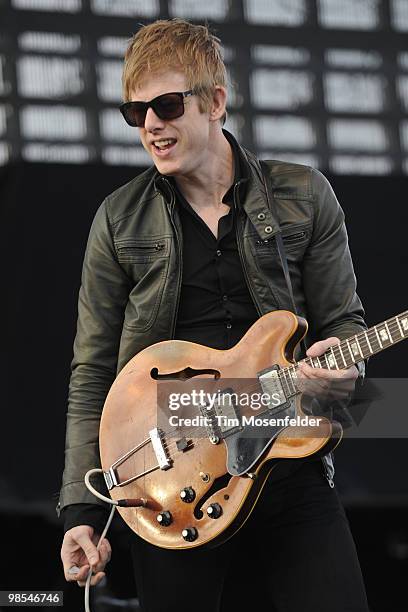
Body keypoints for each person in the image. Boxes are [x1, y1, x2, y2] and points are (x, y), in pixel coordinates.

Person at [59, 18, 369, 612]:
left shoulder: (302, 195)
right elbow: (93, 371)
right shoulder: (119, 220)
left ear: (215, 103)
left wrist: (340, 382)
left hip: (288, 466)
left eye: (168, 105)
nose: (152, 125)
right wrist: (81, 506)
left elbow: (344, 324)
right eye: (135, 112)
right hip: (172, 484)